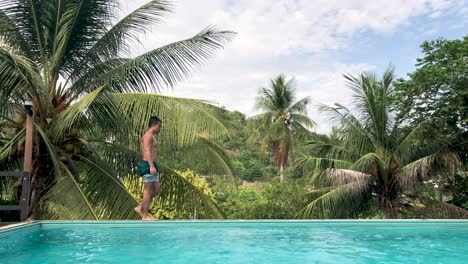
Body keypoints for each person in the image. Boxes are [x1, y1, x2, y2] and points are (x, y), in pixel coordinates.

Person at [135, 116, 162, 220]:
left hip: (152, 164)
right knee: (148, 190)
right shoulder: (148, 136)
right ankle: (145, 216)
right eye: (159, 126)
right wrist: (151, 165)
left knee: (156, 189)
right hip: (147, 164)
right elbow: (146, 151)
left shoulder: (152, 136)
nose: (160, 128)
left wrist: (153, 165)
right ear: (153, 125)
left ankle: (140, 207)